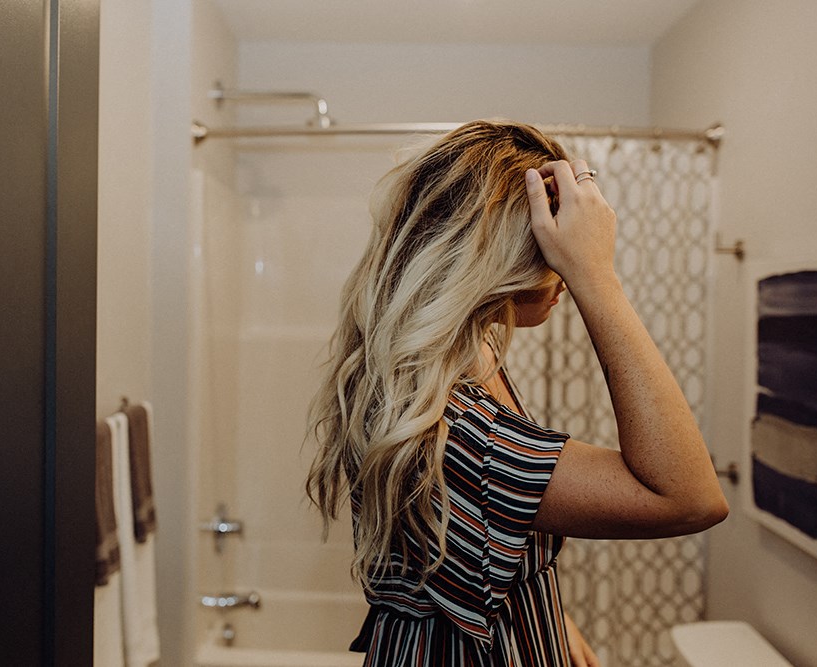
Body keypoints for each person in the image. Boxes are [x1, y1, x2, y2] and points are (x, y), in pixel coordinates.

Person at [306, 120, 729, 666]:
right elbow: (689, 499)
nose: (557, 275)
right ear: (493, 265)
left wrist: (550, 618)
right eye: (549, 251)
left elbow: (477, 537)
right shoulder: (452, 420)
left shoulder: (458, 357)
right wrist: (595, 276)